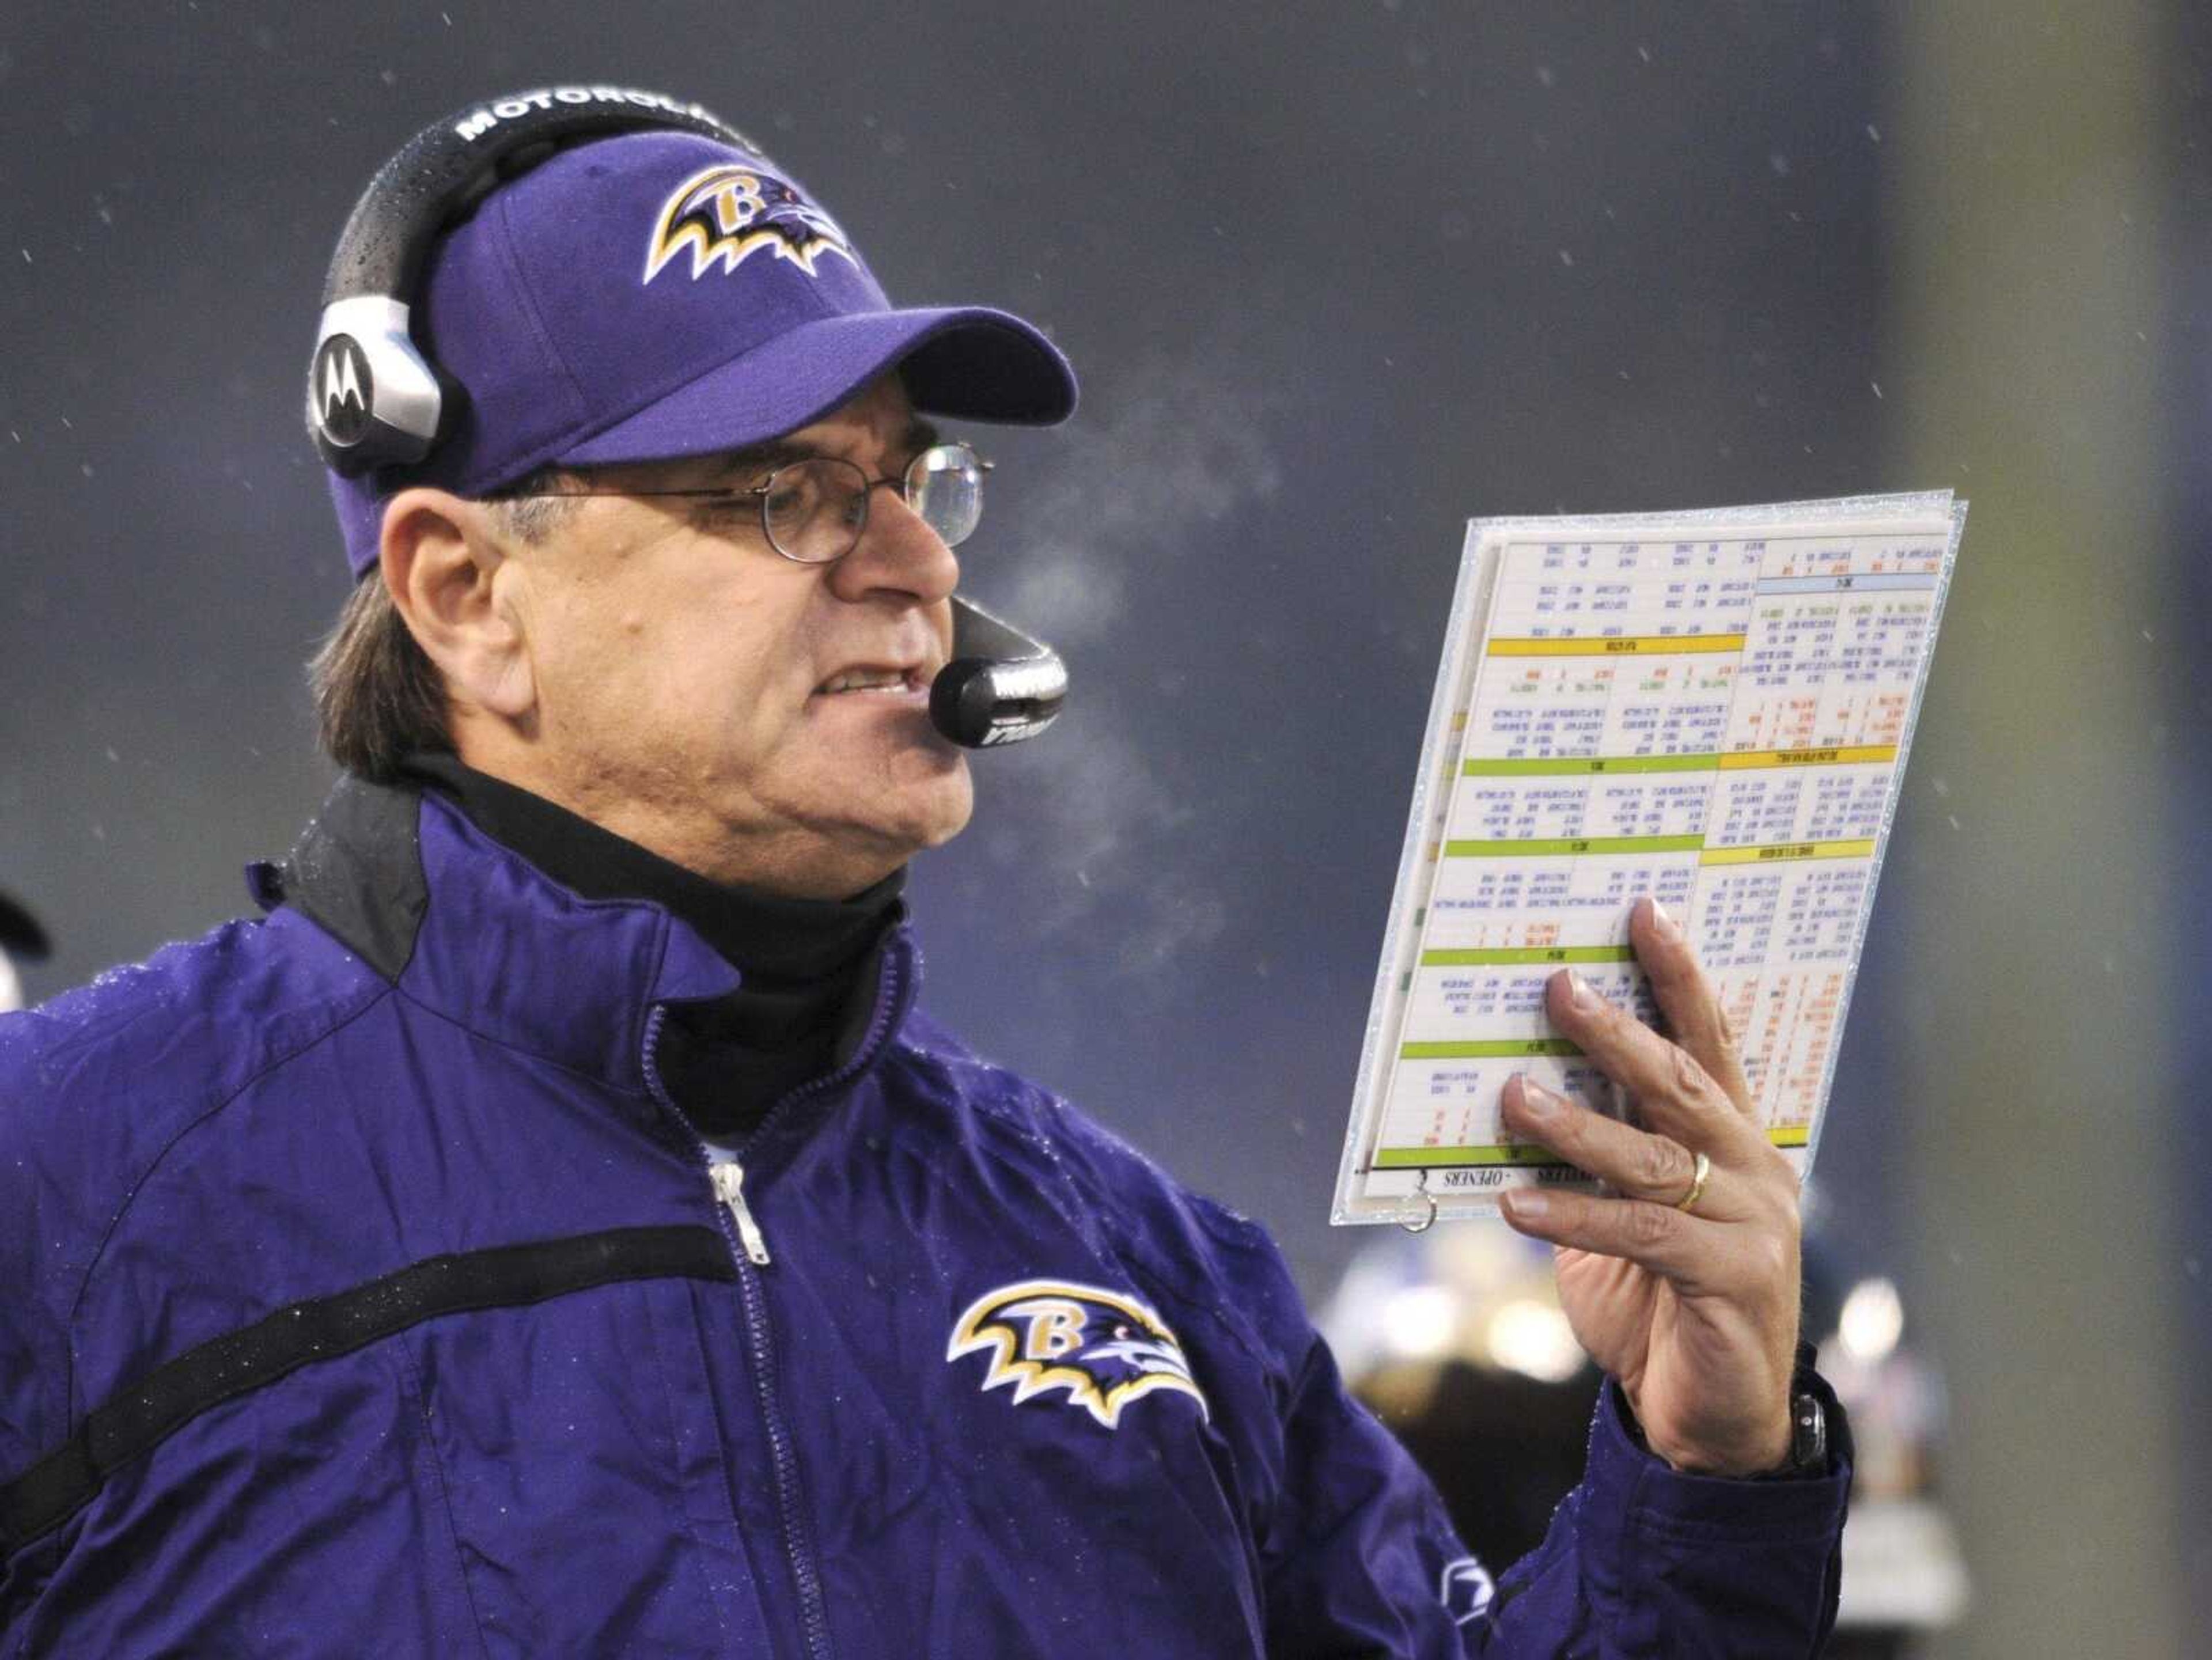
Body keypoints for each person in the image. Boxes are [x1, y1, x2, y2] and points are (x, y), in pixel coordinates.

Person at [0, 89, 1849, 1654]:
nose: (913, 561)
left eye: (914, 480)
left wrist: (1703, 1472)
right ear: (468, 597)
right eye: (785, 491)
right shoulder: (57, 1187)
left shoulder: (1144, 1264)